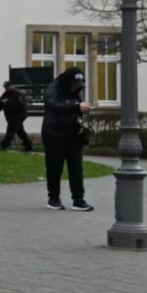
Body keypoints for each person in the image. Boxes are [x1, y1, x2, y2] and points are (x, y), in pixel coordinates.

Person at [41, 67, 94, 211]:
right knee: (54, 167)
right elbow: (52, 105)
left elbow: (75, 108)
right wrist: (76, 107)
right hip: (53, 134)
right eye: (74, 85)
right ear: (67, 81)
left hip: (73, 134)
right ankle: (53, 199)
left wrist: (82, 108)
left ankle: (78, 200)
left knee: (76, 167)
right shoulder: (52, 89)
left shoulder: (75, 92)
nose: (76, 88)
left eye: (79, 85)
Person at [0, 80, 33, 153]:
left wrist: (7, 102)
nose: (6, 88)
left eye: (7, 87)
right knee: (20, 132)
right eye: (5, 87)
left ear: (12, 86)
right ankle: (28, 146)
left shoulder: (17, 94)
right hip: (11, 117)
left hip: (18, 116)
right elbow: (0, 103)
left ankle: (3, 146)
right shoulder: (6, 94)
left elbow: (20, 105)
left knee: (10, 131)